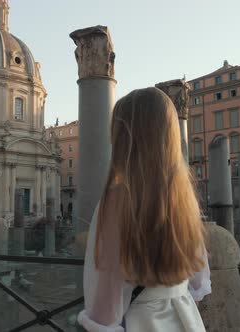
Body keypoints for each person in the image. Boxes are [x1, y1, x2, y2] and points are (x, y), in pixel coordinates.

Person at [77, 87, 211, 332]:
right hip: (186, 319)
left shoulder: (117, 201)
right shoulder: (185, 197)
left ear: (124, 140)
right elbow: (199, 282)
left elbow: (105, 309)